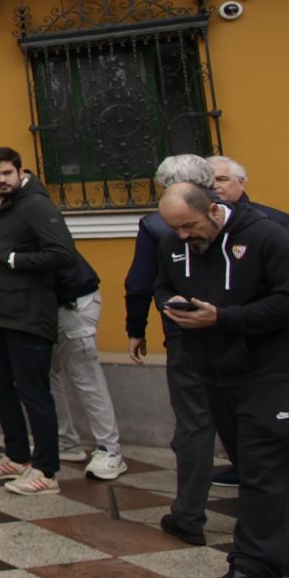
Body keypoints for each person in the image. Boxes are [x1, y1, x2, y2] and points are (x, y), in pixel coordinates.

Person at [154, 182, 289, 578]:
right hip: (216, 373)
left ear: (214, 209)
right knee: (263, 469)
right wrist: (171, 304)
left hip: (272, 373)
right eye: (175, 228)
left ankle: (248, 571)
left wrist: (225, 318)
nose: (183, 236)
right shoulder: (173, 241)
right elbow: (163, 283)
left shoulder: (268, 236)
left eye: (189, 225)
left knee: (261, 470)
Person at [208, 155, 289, 505]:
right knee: (237, 415)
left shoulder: (274, 223)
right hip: (222, 337)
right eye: (208, 180)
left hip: (272, 336)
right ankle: (247, 470)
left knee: (285, 416)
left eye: (223, 179)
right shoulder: (197, 227)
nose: (215, 186)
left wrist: (253, 311)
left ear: (241, 183)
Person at [0, 147, 76, 495]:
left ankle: (46, 470)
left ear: (19, 171)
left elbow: (62, 254)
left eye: (7, 174)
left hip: (29, 312)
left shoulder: (38, 206)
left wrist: (11, 258)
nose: (2, 181)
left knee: (34, 392)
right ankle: (17, 455)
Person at [127, 154, 220, 545]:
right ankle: (287, 506)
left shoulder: (156, 225)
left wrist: (136, 328)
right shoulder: (259, 217)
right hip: (251, 336)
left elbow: (143, 281)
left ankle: (188, 514)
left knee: (195, 424)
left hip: (188, 337)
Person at [50, 248, 128, 481]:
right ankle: (64, 441)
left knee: (85, 376)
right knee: (45, 374)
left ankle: (110, 449)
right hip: (54, 304)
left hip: (72, 302)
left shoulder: (30, 221)